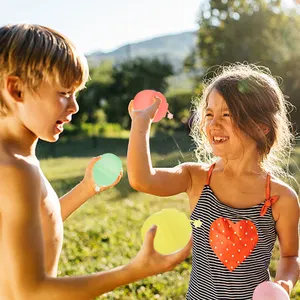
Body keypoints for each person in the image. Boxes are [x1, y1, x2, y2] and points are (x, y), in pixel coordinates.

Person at [0, 23, 192, 300]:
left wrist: (86, 188)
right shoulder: (16, 170)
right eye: (64, 93)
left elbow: (38, 225)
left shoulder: (16, 159)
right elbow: (31, 292)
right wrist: (133, 271)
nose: (75, 106)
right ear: (17, 90)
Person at [127, 63, 300, 299]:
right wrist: (140, 124)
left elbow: (290, 256)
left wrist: (283, 285)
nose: (213, 123)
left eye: (227, 114)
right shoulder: (195, 178)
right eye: (209, 114)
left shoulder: (281, 197)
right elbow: (142, 180)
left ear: (261, 127)